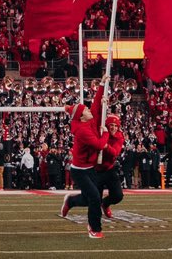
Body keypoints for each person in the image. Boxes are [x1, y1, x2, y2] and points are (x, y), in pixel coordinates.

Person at [62, 91, 110, 240]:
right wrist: (106, 134)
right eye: (86, 110)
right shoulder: (82, 131)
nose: (90, 110)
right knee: (95, 198)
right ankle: (94, 228)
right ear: (82, 116)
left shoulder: (87, 120)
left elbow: (95, 106)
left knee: (89, 198)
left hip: (89, 167)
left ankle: (70, 201)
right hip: (79, 171)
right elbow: (99, 145)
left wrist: (102, 86)